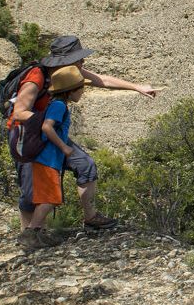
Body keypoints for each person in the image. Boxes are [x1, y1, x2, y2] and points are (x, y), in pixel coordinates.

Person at [10, 35, 160, 246]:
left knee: (85, 164)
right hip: (28, 136)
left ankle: (90, 217)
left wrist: (136, 87)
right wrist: (50, 122)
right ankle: (29, 236)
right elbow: (19, 113)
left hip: (51, 133)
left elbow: (103, 80)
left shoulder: (70, 73)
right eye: (79, 60)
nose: (82, 64)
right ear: (65, 60)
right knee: (30, 190)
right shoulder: (36, 77)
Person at [19, 65, 89, 247]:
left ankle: (38, 233)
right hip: (47, 159)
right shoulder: (59, 106)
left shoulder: (57, 104)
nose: (82, 92)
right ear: (70, 91)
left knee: (47, 198)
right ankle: (31, 233)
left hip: (47, 160)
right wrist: (64, 148)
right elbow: (47, 127)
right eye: (81, 88)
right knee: (50, 199)